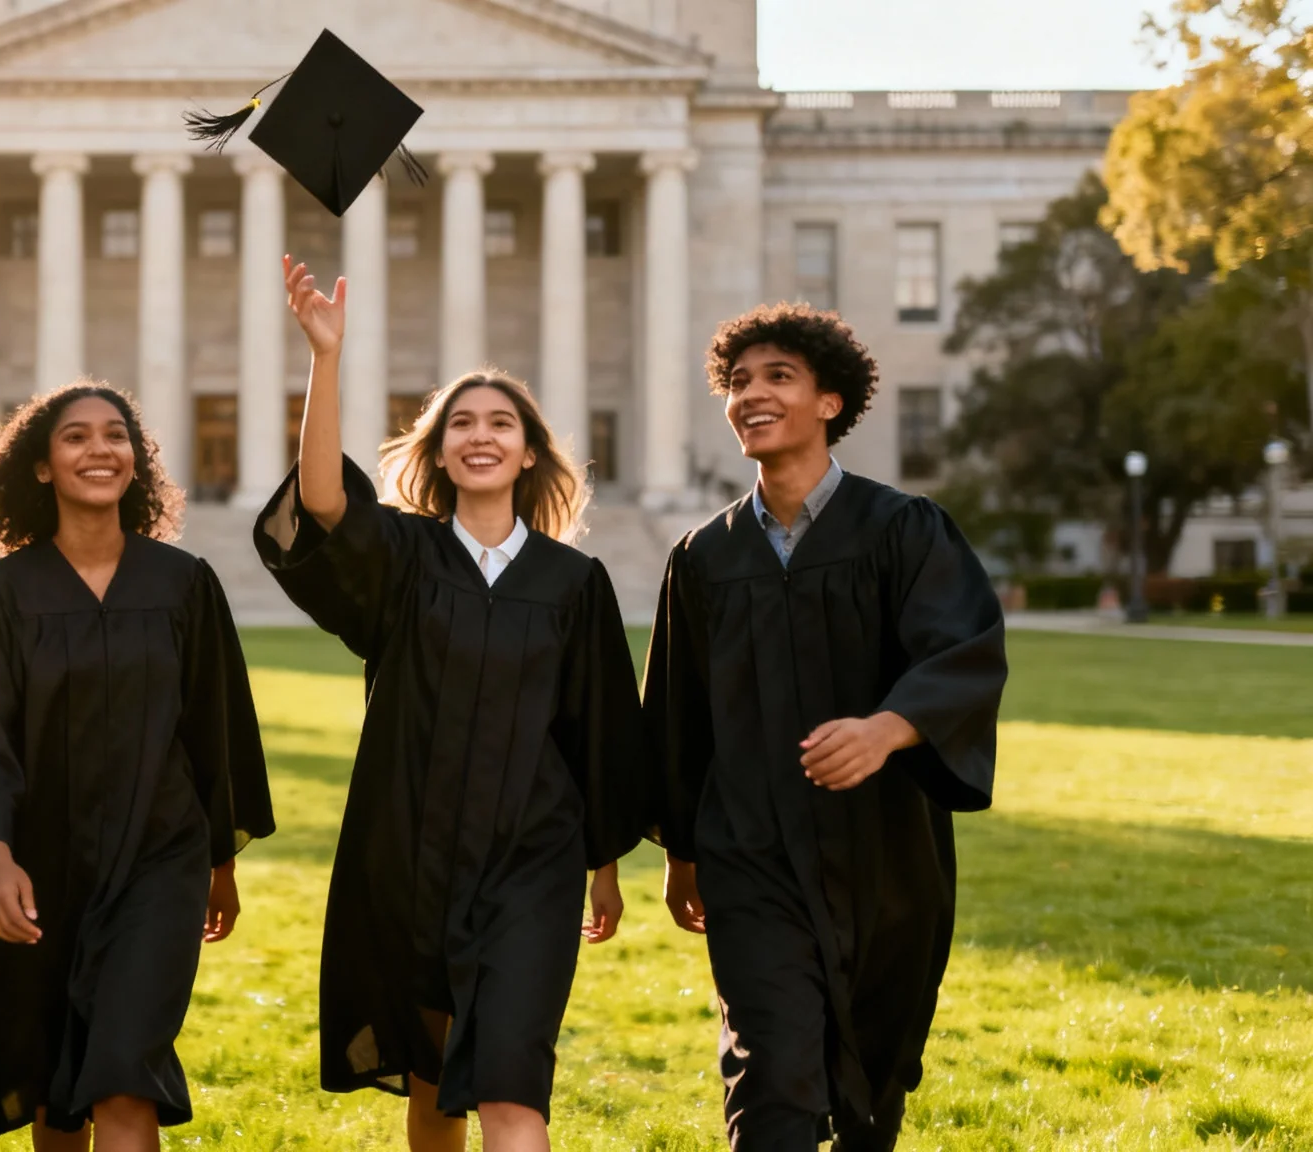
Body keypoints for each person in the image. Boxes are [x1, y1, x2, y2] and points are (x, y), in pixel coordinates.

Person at [255, 257, 644, 1152]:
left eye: (500, 423)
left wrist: (604, 864)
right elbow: (321, 504)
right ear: (435, 452)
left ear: (530, 450)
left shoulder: (572, 583)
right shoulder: (405, 557)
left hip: (530, 860)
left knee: (512, 1089)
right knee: (432, 1089)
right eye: (460, 424)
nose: (480, 436)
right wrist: (326, 357)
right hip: (412, 853)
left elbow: (597, 724)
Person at [642, 303, 1008, 1152]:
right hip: (752, 854)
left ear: (831, 401)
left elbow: (965, 648)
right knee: (773, 1082)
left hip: (883, 853)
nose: (751, 395)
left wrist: (888, 729)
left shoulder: (902, 529)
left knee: (871, 1092)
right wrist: (682, 852)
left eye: (779, 377)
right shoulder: (703, 557)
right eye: (738, 382)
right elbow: (677, 715)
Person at [0, 382, 274, 1149]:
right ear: (43, 467)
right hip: (39, 863)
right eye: (76, 437)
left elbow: (214, 731)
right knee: (57, 1090)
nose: (99, 450)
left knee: (124, 1071)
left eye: (115, 436)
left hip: (160, 861)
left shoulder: (183, 586)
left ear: (137, 462)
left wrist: (220, 864)